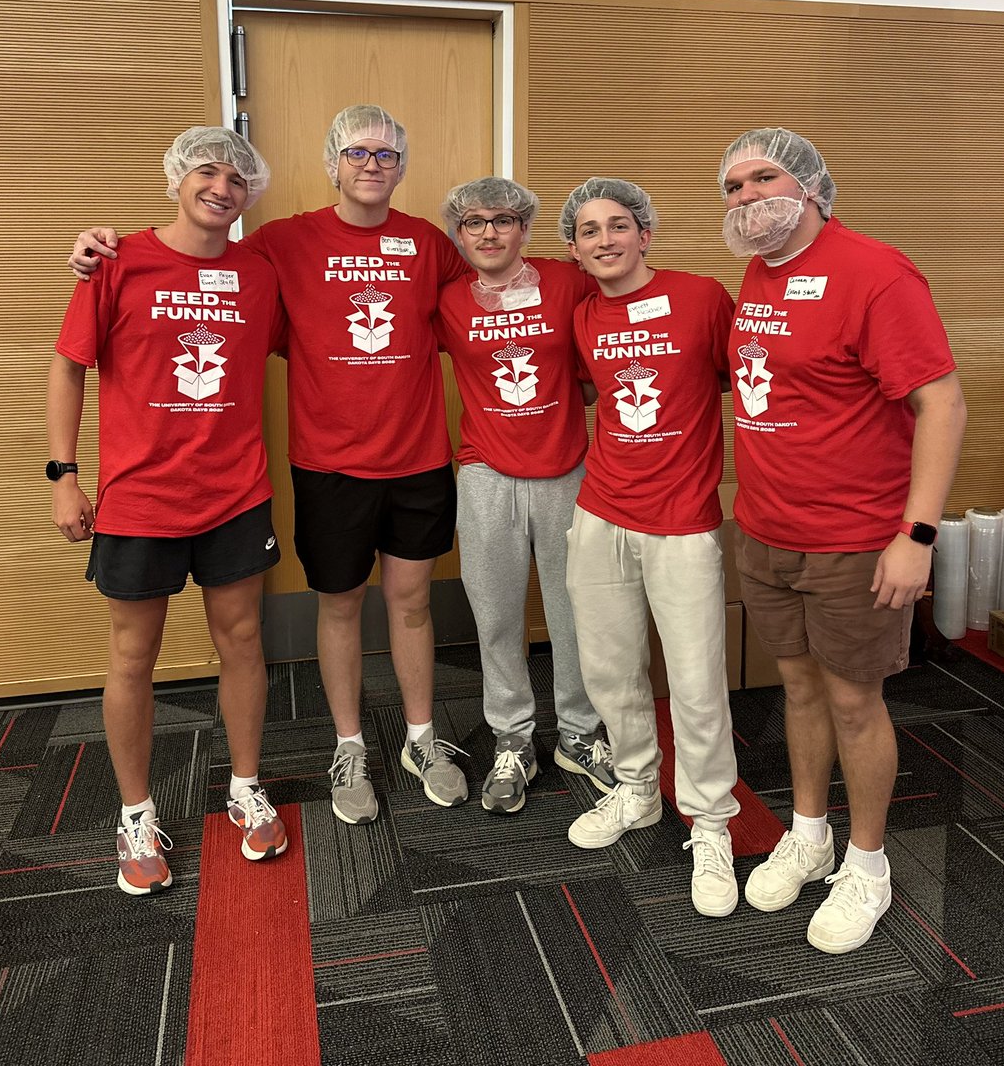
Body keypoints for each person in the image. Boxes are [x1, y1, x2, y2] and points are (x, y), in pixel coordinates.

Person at [68, 105, 470, 827]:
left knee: (409, 604)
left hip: (414, 460)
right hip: (322, 464)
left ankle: (419, 739)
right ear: (332, 163)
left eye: (386, 154)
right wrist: (98, 245)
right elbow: (183, 262)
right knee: (337, 605)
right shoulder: (282, 244)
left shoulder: (428, 245)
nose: (371, 164)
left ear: (401, 166)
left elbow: (494, 283)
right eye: (357, 152)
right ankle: (347, 746)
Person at [717, 127, 966, 953]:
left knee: (856, 701)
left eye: (764, 178)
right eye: (734, 186)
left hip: (855, 540)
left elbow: (942, 405)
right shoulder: (759, 272)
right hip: (766, 529)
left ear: (814, 187)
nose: (748, 197)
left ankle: (867, 864)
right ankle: (811, 832)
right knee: (797, 690)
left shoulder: (875, 272)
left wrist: (916, 534)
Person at [49, 126, 288, 895]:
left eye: (237, 178)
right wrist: (63, 475)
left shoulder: (261, 273)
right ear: (178, 179)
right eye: (207, 172)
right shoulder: (116, 262)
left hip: (236, 492)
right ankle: (135, 812)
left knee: (243, 640)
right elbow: (69, 367)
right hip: (140, 498)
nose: (221, 186)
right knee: (132, 658)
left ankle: (246, 785)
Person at [559, 177, 741, 918]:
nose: (604, 239)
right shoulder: (581, 319)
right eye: (589, 231)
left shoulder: (703, 297)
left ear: (645, 233)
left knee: (697, 683)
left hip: (683, 519)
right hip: (601, 511)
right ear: (574, 249)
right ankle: (637, 788)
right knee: (609, 670)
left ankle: (712, 821)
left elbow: (743, 384)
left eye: (618, 225)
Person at [435, 176, 615, 814]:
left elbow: (611, 337)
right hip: (485, 472)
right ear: (459, 234)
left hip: (567, 469)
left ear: (526, 228)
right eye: (475, 222)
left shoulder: (568, 283)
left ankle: (578, 731)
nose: (489, 232)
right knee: (497, 615)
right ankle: (511, 739)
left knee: (576, 614)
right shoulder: (446, 298)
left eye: (504, 220)